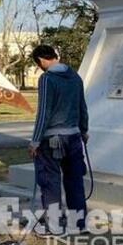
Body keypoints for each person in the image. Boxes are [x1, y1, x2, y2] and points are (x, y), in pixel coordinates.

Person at [28, 45, 90, 234]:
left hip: (51, 140)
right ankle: (79, 225)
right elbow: (82, 106)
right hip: (74, 137)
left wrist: (35, 141)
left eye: (38, 64)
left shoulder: (47, 79)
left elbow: (44, 112)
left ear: (41, 60)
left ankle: (53, 226)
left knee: (50, 183)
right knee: (75, 182)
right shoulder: (75, 77)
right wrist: (84, 130)